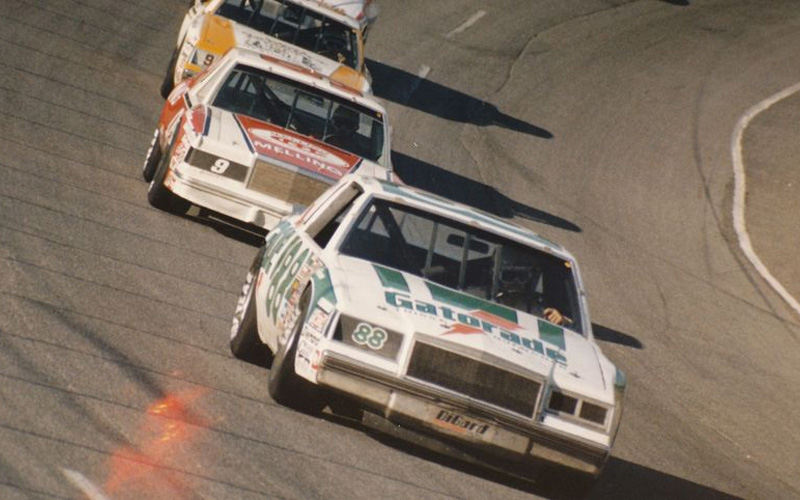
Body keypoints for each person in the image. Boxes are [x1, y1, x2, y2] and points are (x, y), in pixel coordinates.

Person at [494, 246, 572, 326]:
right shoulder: (486, 300)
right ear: (498, 276)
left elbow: (571, 329)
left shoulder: (538, 311)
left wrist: (562, 320)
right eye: (508, 276)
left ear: (530, 279)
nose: (515, 282)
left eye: (522, 276)